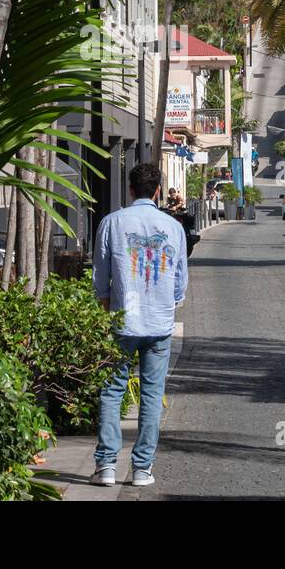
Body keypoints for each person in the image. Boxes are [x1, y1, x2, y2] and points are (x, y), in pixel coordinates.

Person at [91, 163, 188, 488]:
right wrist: (164, 301)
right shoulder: (172, 227)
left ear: (130, 189)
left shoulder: (111, 223)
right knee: (151, 395)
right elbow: (179, 283)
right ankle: (142, 469)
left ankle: (106, 466)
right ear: (158, 191)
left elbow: (100, 278)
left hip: (121, 321)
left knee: (112, 391)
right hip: (159, 323)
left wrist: (107, 310)